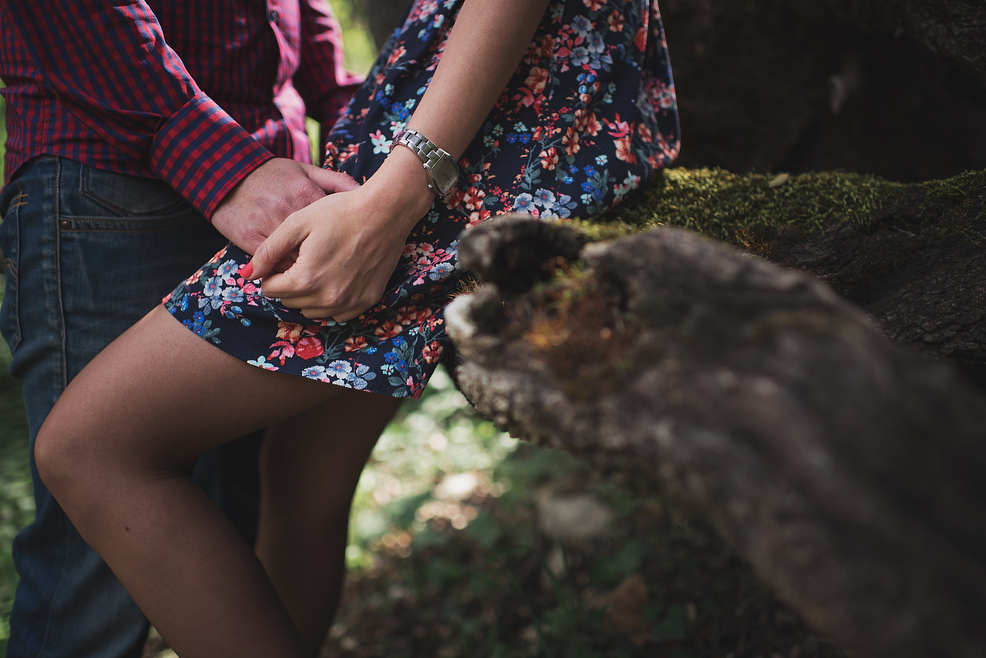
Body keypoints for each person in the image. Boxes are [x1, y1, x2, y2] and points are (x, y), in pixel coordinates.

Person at [32, 0, 680, 656]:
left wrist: (395, 193)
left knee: (91, 449)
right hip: (473, 117)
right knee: (301, 472)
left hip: (486, 130)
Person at [0, 2, 361, 657]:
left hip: (273, 190)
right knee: (96, 567)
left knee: (230, 539)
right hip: (113, 177)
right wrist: (222, 163)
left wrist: (345, 115)